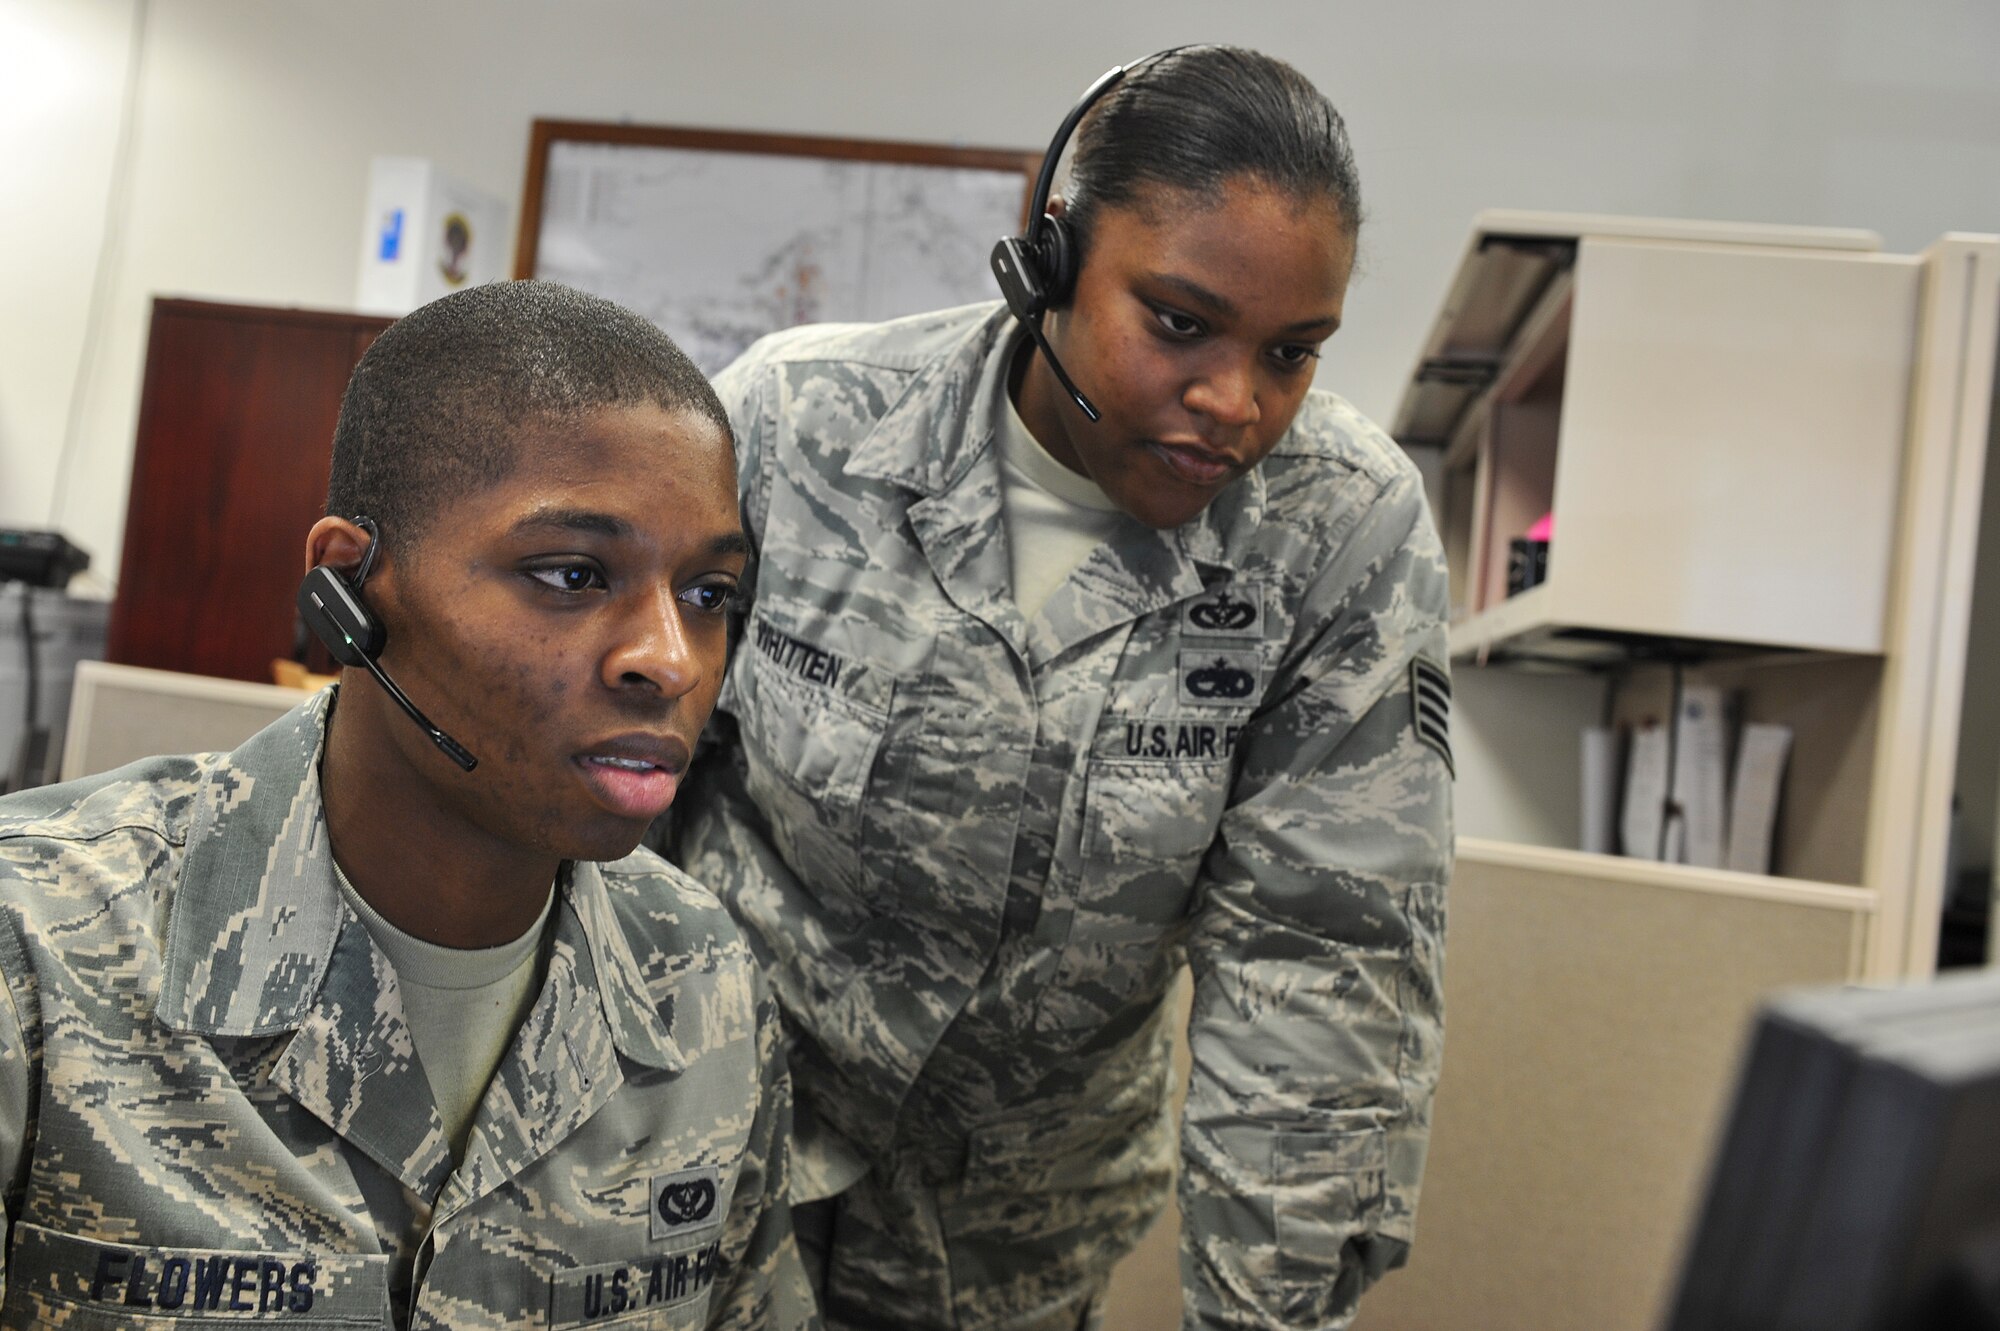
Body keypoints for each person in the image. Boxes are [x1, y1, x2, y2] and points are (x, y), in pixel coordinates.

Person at [670, 44, 1452, 1331]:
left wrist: (1268, 1310)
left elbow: (1321, 964)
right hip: (706, 1171)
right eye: (1179, 322)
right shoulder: (797, 427)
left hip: (1014, 1241)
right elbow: (605, 810)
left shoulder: (1335, 531)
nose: (1231, 404)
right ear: (1045, 261)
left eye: (1291, 352)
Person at [0, 281, 814, 1330]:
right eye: (570, 573)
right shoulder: (39, 941)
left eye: (708, 594)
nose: (666, 657)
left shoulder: (702, 977)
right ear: (354, 585)